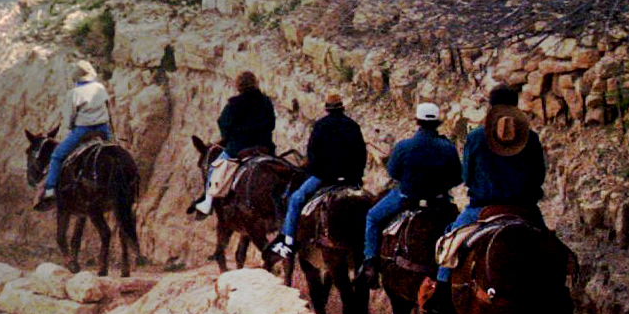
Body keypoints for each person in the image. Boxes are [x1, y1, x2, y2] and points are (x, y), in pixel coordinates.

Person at [432, 84, 546, 285]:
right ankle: (559, 293)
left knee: (450, 246)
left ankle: (441, 291)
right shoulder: (532, 138)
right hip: (525, 209)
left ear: (491, 107)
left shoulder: (476, 136)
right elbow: (539, 177)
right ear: (515, 107)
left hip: (482, 209)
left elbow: (466, 176)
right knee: (550, 249)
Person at [360, 102, 461, 287]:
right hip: (439, 203)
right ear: (437, 123)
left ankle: (370, 264)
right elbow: (457, 177)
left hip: (406, 198)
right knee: (461, 230)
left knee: (373, 218)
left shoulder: (404, 146)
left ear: (417, 121)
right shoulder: (448, 147)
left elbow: (393, 173)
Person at [268, 92, 366, 259]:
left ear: (326, 109)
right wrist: (356, 176)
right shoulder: (353, 126)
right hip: (351, 179)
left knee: (296, 199)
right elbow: (362, 154)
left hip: (324, 178)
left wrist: (314, 170)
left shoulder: (321, 126)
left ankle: (288, 243)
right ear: (342, 108)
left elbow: (312, 154)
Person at [192, 70, 276, 215]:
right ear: (255, 83)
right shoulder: (266, 101)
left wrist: (229, 138)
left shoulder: (234, 104)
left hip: (238, 147)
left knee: (213, 169)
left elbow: (223, 123)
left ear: (239, 87)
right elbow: (272, 124)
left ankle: (207, 203)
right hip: (264, 146)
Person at [34, 59, 111, 210]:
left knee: (57, 155)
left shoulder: (74, 93)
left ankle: (50, 190)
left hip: (83, 130)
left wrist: (70, 127)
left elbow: (69, 117)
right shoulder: (100, 87)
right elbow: (107, 107)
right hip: (103, 129)